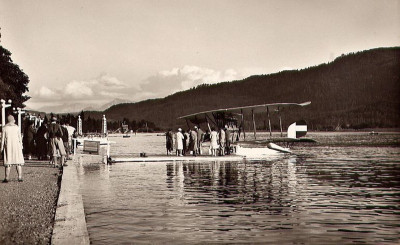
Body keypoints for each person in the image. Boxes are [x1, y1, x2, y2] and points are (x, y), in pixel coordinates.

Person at [1, 115, 25, 182]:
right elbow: (20, 138)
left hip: (8, 146)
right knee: (18, 162)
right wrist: (21, 146)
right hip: (17, 146)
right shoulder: (17, 128)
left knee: (8, 162)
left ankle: (6, 178)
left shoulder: (4, 128)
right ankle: (20, 177)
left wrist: (1, 148)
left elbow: (2, 139)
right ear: (13, 120)